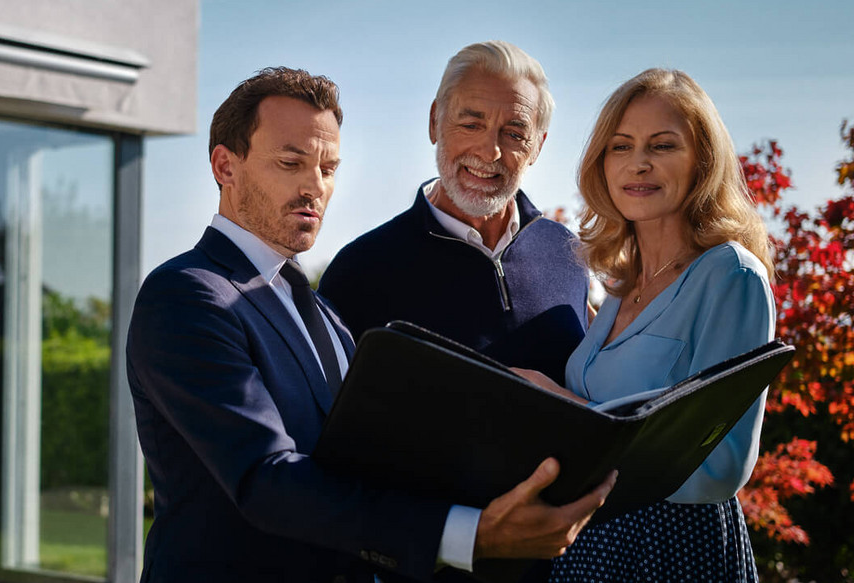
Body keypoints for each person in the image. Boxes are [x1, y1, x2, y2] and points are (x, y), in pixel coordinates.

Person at [126, 66, 616, 582]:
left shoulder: (320, 311)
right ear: (225, 166)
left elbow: (371, 457)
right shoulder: (187, 296)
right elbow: (265, 480)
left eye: (328, 168)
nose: (314, 187)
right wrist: (472, 535)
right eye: (291, 162)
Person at [513, 68, 774, 582]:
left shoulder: (731, 275)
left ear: (702, 161)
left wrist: (562, 405)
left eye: (662, 145)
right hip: (589, 548)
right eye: (621, 146)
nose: (639, 163)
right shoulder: (618, 285)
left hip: (674, 552)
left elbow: (719, 469)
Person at [319, 41, 589, 386]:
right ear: (434, 122)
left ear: (537, 146)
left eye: (514, 133)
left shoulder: (569, 254)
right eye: (471, 124)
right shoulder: (358, 271)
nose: (490, 151)